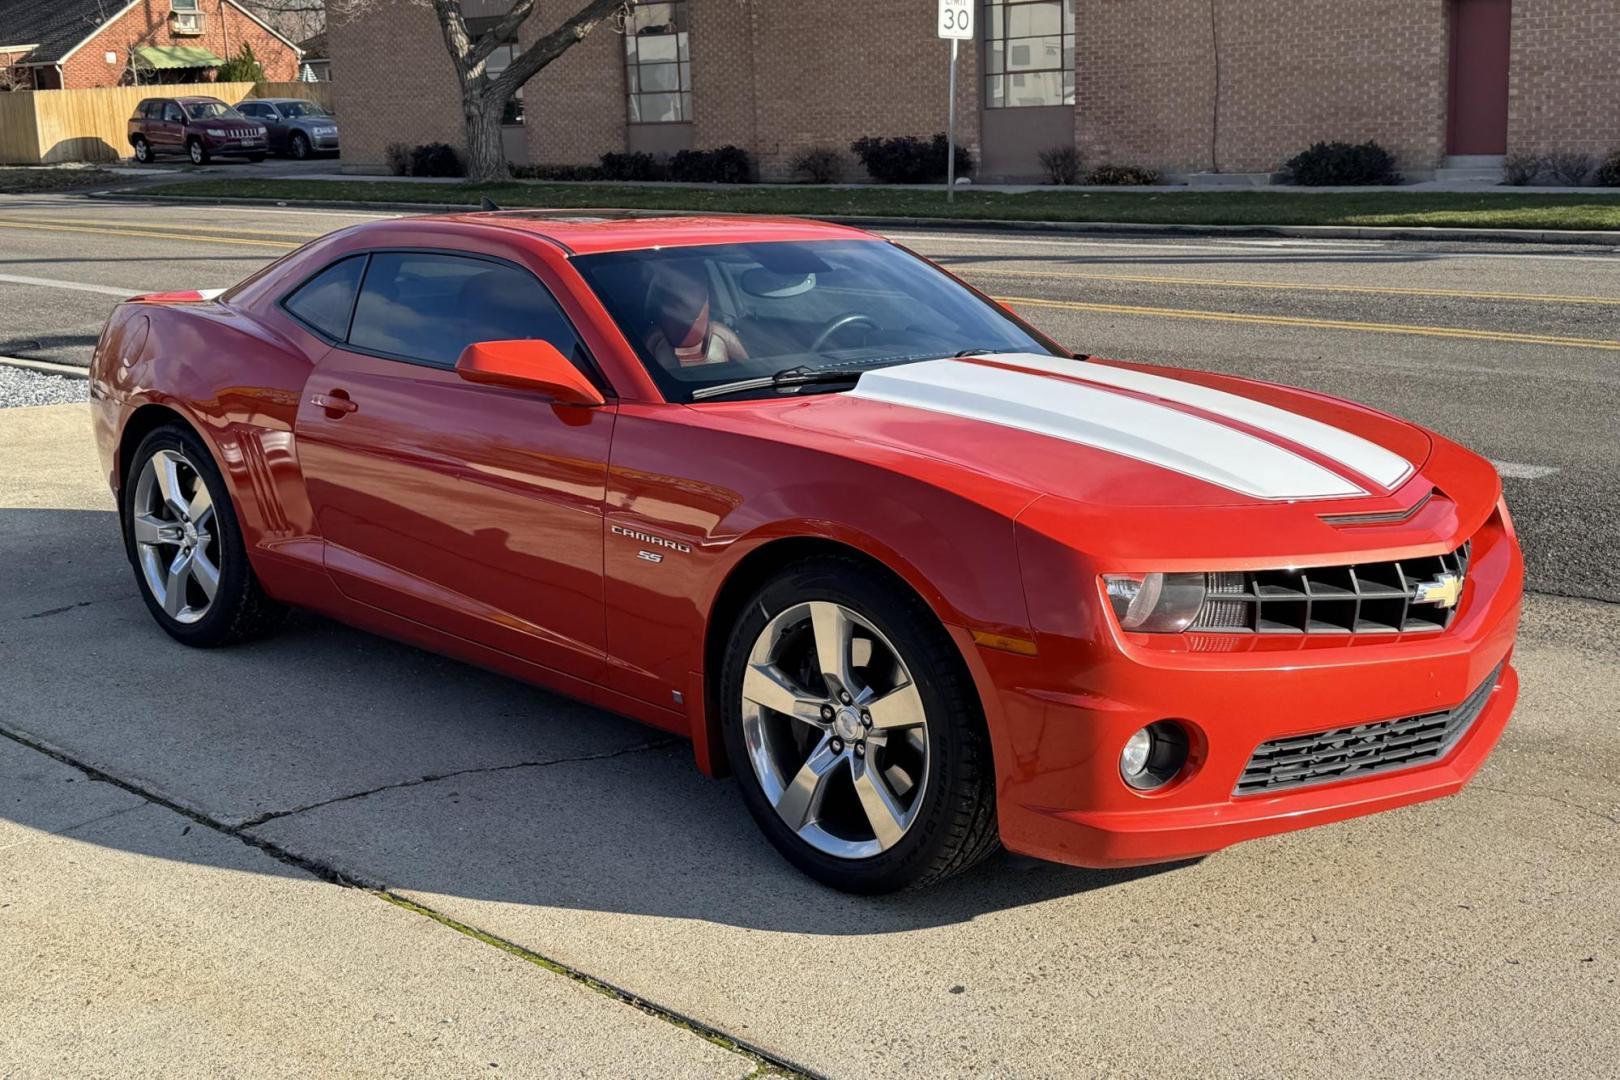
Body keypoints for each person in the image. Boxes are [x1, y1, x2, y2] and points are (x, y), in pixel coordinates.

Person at [644, 263, 747, 369]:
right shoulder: (654, 341)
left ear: (706, 294)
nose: (688, 298)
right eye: (680, 288)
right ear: (666, 296)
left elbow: (750, 373)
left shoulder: (722, 336)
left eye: (692, 288)